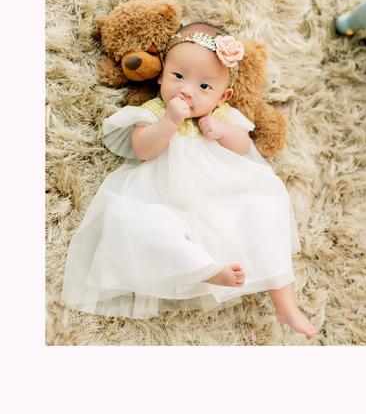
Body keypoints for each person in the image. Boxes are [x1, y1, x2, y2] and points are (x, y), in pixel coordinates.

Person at [61, 22, 316, 338]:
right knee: (133, 220)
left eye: (204, 86)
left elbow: (243, 148)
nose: (187, 90)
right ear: (160, 75)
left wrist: (223, 132)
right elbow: (142, 149)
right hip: (164, 195)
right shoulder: (154, 111)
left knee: (267, 204)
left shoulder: (223, 115)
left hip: (222, 194)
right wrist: (169, 121)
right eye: (178, 76)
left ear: (224, 95)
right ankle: (205, 268)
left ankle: (285, 303)